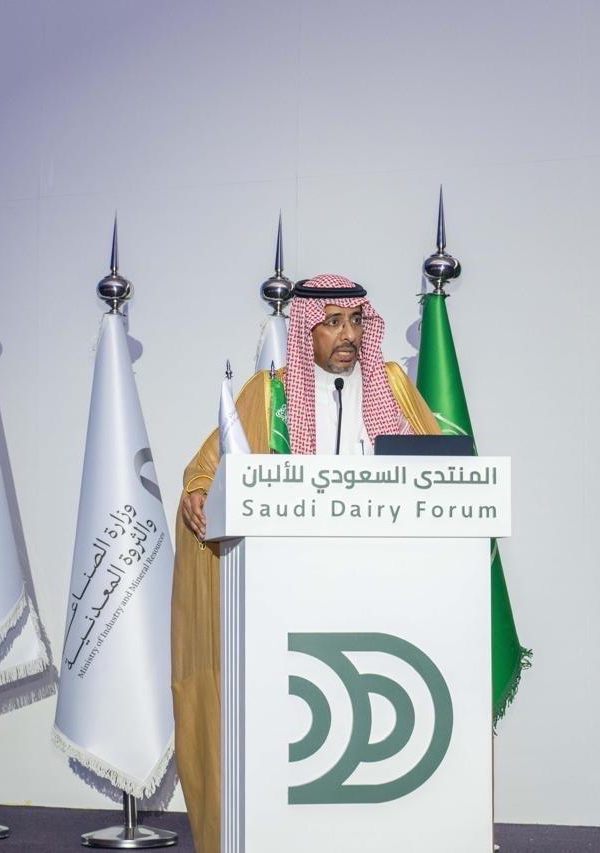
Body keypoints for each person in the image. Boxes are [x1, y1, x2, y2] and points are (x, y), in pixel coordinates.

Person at [170, 273, 440, 853]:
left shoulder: (390, 386)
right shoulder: (269, 396)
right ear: (304, 330)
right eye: (333, 322)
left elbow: (440, 468)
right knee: (303, 723)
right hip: (289, 596)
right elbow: (209, 467)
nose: (349, 335)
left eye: (357, 321)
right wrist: (198, 491)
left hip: (384, 588)